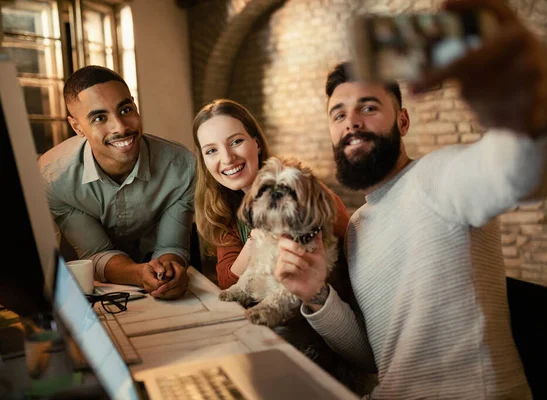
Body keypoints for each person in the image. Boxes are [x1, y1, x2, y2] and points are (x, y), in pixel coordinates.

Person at [273, 0, 547, 398]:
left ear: (402, 121)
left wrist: (539, 100)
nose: (351, 121)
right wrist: (316, 294)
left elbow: (516, 176)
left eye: (368, 107)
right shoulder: (357, 225)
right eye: (338, 114)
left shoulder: (437, 176)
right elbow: (377, 358)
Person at [39, 66, 196, 300]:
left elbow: (171, 247)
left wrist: (167, 274)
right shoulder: (54, 177)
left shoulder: (181, 166)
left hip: (153, 271)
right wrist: (139, 273)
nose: (121, 128)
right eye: (99, 118)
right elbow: (97, 252)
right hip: (90, 290)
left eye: (125, 109)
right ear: (76, 127)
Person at [192, 99, 350, 292]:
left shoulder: (305, 191)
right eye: (212, 151)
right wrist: (259, 234)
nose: (226, 158)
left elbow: (357, 253)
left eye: (236, 141)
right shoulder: (225, 210)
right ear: (204, 161)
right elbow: (227, 282)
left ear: (256, 144)